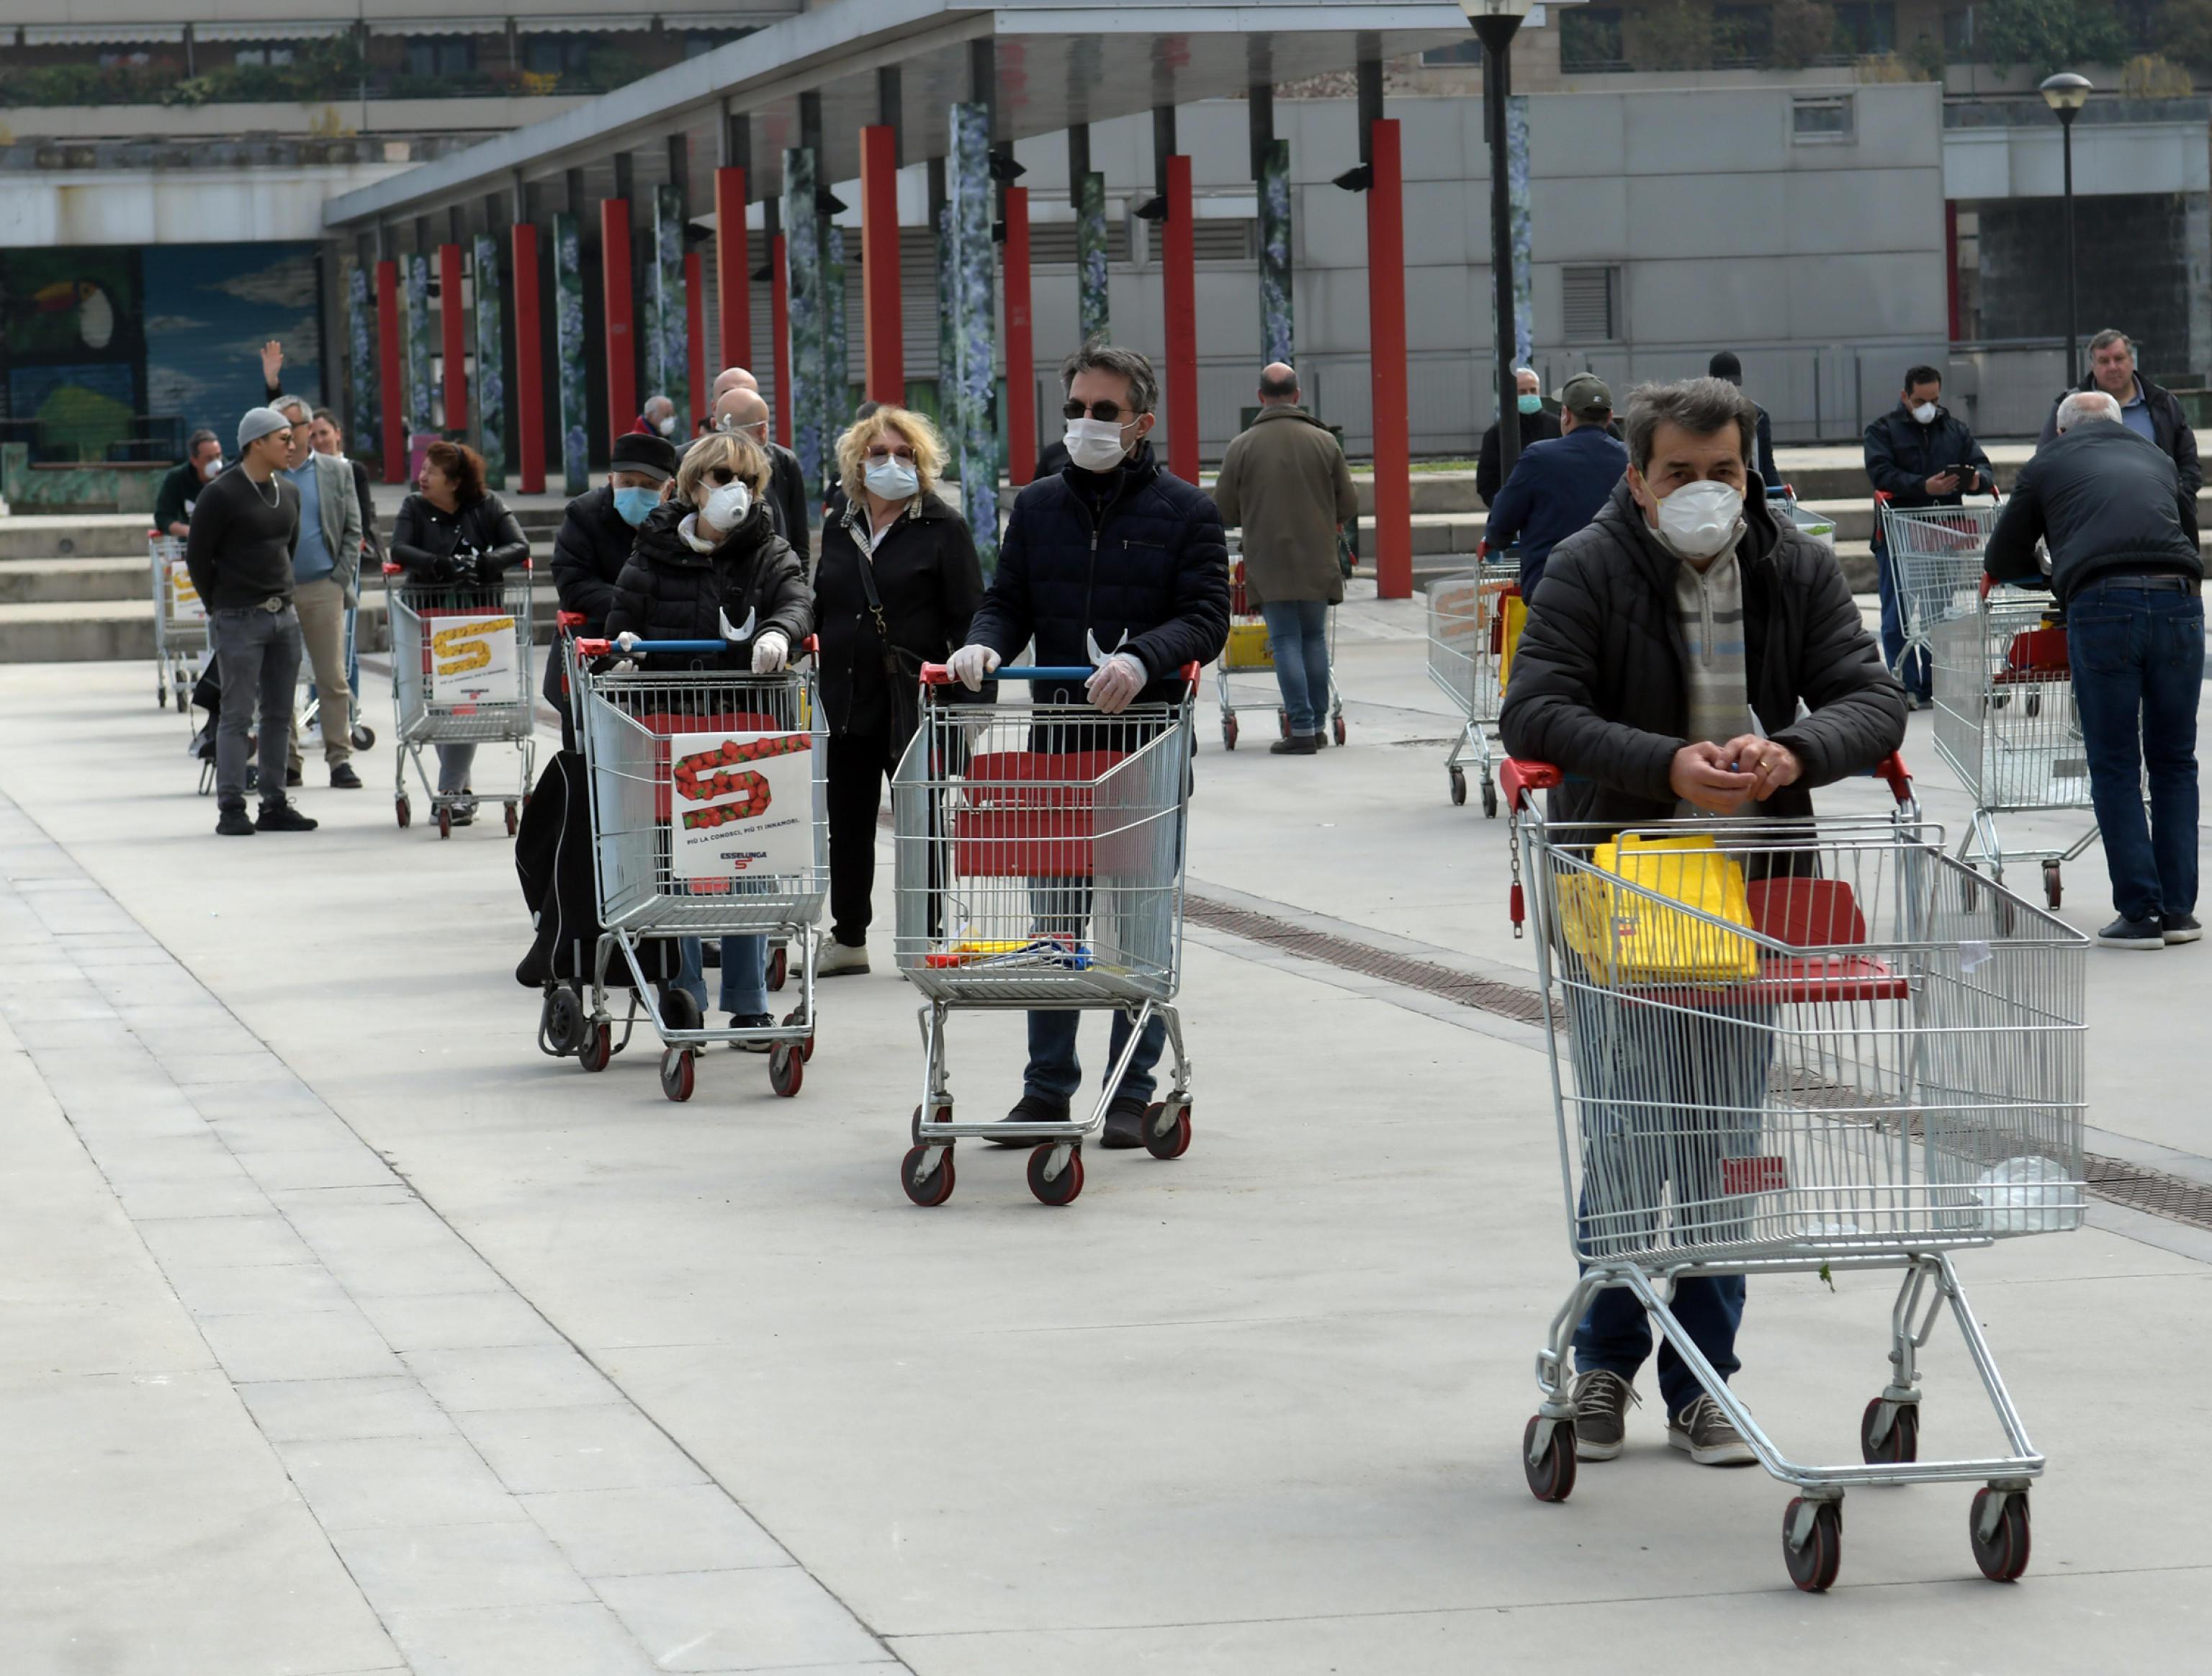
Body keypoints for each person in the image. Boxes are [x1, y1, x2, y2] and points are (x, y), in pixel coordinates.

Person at [1501, 376, 1906, 1466]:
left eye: (1721, 472)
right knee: (1634, 1140)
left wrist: (1797, 752)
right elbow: (1535, 708)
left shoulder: (1797, 567)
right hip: (1625, 895)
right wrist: (1665, 761)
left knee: (1726, 1150)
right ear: (1637, 479)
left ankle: (1704, 1380)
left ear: (1748, 473)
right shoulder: (1587, 567)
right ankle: (1603, 1362)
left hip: (1750, 902)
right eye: (1678, 473)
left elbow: (1873, 697)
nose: (1701, 492)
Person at [947, 341, 1230, 1148]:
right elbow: (1008, 599)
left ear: (1142, 424)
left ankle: (1131, 1091)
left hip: (1144, 747)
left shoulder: (1187, 514)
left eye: (1104, 412)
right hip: (1059, 745)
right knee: (1055, 926)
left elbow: (1206, 617)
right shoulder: (1037, 508)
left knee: (1137, 925)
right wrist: (985, 644)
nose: (1085, 423)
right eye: (1075, 408)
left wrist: (1146, 658)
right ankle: (1046, 1091)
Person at [604, 431, 813, 1038]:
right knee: (679, 865)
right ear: (694, 484)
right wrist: (622, 651)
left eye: (747, 480)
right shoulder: (653, 552)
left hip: (742, 725)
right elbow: (622, 623)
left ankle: (748, 1000)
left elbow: (797, 602)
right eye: (722, 477)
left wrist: (779, 633)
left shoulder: (768, 551)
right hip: (671, 728)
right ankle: (685, 992)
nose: (735, 490)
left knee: (746, 858)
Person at [1986, 389, 2203, 949]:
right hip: (2180, 600)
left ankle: (2140, 912)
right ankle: (2179, 912)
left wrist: (2056, 578)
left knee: (2113, 763)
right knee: (2175, 761)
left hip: (2105, 606)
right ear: (2116, 422)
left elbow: (2002, 559)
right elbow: (2184, 531)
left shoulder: (2048, 463)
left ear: (2063, 430)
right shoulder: (2155, 457)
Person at [813, 406, 982, 976]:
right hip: (847, 699)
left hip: (918, 704)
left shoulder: (942, 526)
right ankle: (849, 936)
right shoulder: (841, 526)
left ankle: (927, 933)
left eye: (904, 454)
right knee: (848, 823)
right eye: (880, 453)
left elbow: (970, 617)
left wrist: (967, 708)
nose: (892, 463)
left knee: (924, 822)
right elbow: (824, 603)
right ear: (858, 463)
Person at [1208, 361, 1357, 755]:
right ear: (1297, 395)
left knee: (1286, 641)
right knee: (1313, 640)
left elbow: (1223, 509)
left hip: (1267, 559)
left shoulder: (1242, 446)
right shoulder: (1325, 442)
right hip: (1317, 557)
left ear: (1260, 397)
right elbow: (1348, 502)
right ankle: (1318, 725)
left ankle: (1302, 728)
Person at [184, 407, 320, 837]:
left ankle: (275, 802)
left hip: (284, 616)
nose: (293, 445)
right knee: (237, 714)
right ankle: (231, 807)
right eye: (284, 438)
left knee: (281, 714)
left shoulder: (289, 493)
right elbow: (198, 558)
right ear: (256, 443)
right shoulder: (221, 494)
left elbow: (288, 547)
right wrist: (220, 605)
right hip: (239, 617)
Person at [389, 441, 530, 825]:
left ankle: (449, 792)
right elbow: (398, 547)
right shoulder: (414, 507)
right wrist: (436, 564)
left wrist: (485, 563)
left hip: (477, 617)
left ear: (453, 481)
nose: (421, 478)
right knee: (441, 702)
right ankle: (457, 789)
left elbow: (519, 545)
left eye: (430, 472)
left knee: (465, 698)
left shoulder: (488, 505)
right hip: (428, 616)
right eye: (422, 470)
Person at [1862, 364, 1994, 703]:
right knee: (1898, 617)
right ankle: (1904, 684)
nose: (1928, 408)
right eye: (1921, 400)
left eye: (1934, 400)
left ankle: (1935, 683)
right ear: (1905, 396)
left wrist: (1977, 480)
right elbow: (1881, 473)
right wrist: (1923, 486)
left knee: (1940, 614)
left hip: (1943, 535)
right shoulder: (1882, 431)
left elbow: (1983, 466)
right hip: (1899, 535)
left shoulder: (1955, 430)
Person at [543, 432, 680, 748]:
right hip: (595, 648)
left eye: (648, 486)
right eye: (627, 481)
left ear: (668, 489)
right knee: (587, 756)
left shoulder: (682, 522)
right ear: (610, 480)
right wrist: (634, 611)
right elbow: (574, 582)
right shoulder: (583, 514)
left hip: (663, 656)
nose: (635, 491)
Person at [269, 394, 365, 791]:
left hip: (324, 586)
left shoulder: (334, 471)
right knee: (281, 680)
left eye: (293, 427)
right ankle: (289, 761)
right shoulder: (267, 475)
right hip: (278, 590)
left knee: (332, 677)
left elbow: (353, 528)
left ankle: (339, 758)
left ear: (309, 429)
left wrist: (339, 578)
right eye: (279, 431)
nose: (287, 437)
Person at [1483, 372, 1629, 603]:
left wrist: (1495, 541)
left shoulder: (1539, 457)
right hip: (1617, 590)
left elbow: (1501, 521)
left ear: (1566, 414)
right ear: (1610, 417)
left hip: (1552, 591)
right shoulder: (1630, 460)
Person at [2037, 329, 2202, 497]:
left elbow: (2188, 463)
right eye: (2104, 361)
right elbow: (2044, 462)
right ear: (2093, 366)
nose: (2113, 367)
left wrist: (2178, 500)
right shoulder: (2069, 406)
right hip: (2089, 510)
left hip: (2156, 509)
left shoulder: (2162, 403)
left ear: (2132, 360)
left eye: (2119, 359)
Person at [710, 378, 809, 544]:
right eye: (722, 476)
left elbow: (799, 533)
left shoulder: (783, 462)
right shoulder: (691, 461)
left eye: (749, 480)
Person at [1477, 367, 1562, 507]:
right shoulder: (1497, 434)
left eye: (1533, 390)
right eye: (1522, 392)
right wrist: (1503, 508)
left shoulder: (1558, 427)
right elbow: (1487, 481)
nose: (1529, 396)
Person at [1706, 351, 1779, 490]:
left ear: (1710, 378)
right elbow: (1767, 466)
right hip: (1752, 492)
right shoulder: (1758, 414)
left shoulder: (1704, 414)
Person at [155, 430, 223, 537]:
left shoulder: (230, 474)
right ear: (194, 461)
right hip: (191, 544)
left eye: (218, 456)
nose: (217, 463)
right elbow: (163, 517)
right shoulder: (177, 478)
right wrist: (190, 531)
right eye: (209, 459)